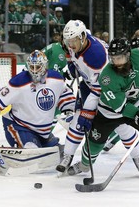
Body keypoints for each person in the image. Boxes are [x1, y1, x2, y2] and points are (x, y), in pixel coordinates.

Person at [70, 38, 139, 183]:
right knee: (95, 143)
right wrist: (138, 115)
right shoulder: (107, 77)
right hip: (109, 112)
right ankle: (84, 165)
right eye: (113, 59)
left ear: (128, 55)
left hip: (135, 102)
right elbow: (120, 107)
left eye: (120, 58)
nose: (116, 62)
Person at [0, 50, 75, 148]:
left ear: (45, 66)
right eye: (32, 67)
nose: (35, 71)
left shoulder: (56, 79)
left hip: (42, 133)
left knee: (60, 153)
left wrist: (70, 113)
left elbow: (65, 96)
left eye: (38, 67)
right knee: (32, 151)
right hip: (20, 127)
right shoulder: (18, 82)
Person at [55, 20, 109, 173]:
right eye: (68, 41)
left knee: (120, 125)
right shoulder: (72, 42)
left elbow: (99, 89)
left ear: (83, 37)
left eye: (73, 41)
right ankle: (68, 156)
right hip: (89, 84)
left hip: (108, 89)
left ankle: (138, 158)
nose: (70, 45)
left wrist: (88, 112)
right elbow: (70, 53)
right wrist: (71, 66)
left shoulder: (96, 55)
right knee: (78, 122)